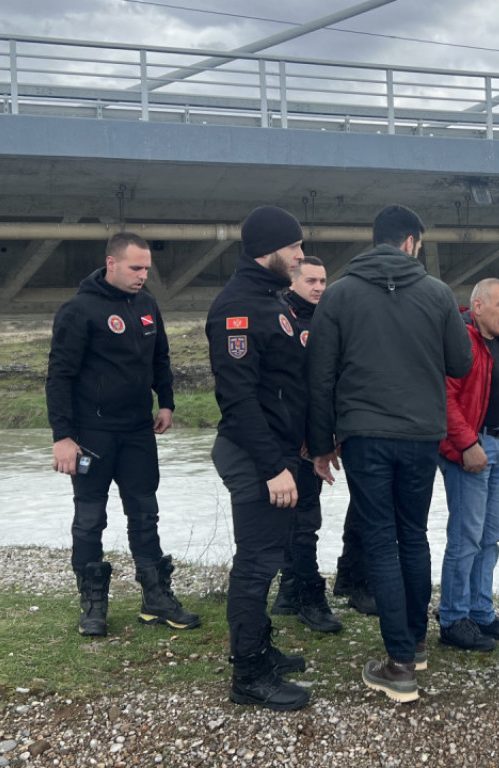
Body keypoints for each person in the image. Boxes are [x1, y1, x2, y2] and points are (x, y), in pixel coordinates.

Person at [306, 204, 472, 703]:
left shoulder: (338, 294)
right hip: (421, 435)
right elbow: (460, 363)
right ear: (410, 243)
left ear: (376, 239)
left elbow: (320, 377)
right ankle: (414, 647)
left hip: (363, 435)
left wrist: (320, 445)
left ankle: (399, 663)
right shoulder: (438, 293)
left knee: (380, 540)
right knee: (413, 535)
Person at [46, 232, 201, 638]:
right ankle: (93, 605)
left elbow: (161, 357)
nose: (142, 275)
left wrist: (166, 403)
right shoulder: (78, 310)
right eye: (135, 268)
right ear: (111, 263)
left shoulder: (147, 304)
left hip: (138, 432)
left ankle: (156, 599)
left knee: (145, 513)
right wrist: (62, 436)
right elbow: (59, 376)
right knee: (90, 519)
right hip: (92, 435)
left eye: (146, 268)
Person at [205, 205, 310, 711]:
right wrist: (274, 468)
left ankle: (260, 647)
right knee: (256, 564)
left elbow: (283, 386)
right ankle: (248, 674)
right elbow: (240, 400)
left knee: (267, 557)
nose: (301, 255)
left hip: (276, 450)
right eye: (294, 247)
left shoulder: (271, 299)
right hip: (254, 455)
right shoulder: (238, 309)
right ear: (268, 250)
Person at [436, 277, 499, 652]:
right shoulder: (460, 341)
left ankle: (481, 612)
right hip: (469, 449)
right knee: (466, 536)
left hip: (495, 444)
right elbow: (444, 397)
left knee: (491, 534)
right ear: (478, 306)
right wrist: (468, 444)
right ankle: (453, 619)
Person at [269, 256, 342, 635]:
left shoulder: (328, 320)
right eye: (311, 280)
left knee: (303, 519)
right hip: (286, 438)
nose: (319, 287)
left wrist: (328, 436)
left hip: (316, 435)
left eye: (323, 281)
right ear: (292, 281)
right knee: (298, 520)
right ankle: (308, 596)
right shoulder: (280, 318)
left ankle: (289, 590)